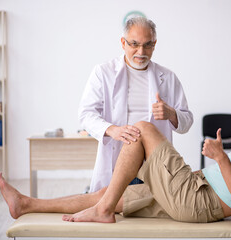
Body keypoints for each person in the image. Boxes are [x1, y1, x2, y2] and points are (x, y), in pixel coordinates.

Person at [0, 76, 231, 223]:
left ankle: (103, 210)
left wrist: (221, 158)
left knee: (143, 128)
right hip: (195, 188)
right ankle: (26, 204)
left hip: (199, 200)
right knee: (105, 195)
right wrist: (214, 165)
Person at [78, 16, 193, 191]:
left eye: (147, 45)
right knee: (109, 207)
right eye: (134, 44)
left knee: (148, 214)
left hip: (152, 164)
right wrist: (112, 130)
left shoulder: (168, 77)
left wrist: (171, 114)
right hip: (118, 161)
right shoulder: (103, 73)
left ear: (154, 45)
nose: (141, 52)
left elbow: (187, 121)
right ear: (123, 43)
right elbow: (86, 115)